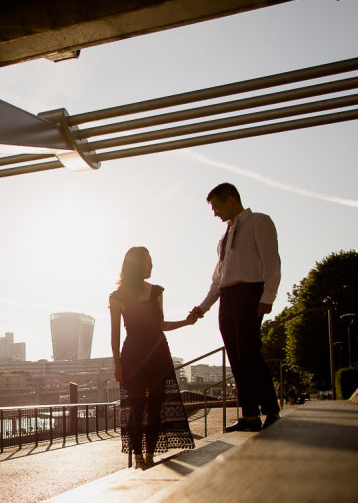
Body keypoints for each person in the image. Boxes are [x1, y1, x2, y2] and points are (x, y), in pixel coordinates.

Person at [190, 183, 281, 432]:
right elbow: (218, 280)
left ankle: (271, 410)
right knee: (236, 357)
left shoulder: (259, 222)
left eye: (216, 206)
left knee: (249, 353)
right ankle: (250, 415)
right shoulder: (223, 238)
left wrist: (268, 296)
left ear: (230, 200)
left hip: (250, 293)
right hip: (227, 299)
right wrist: (202, 308)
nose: (215, 213)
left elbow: (272, 263)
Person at [110, 246, 196, 470]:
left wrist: (186, 322)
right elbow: (115, 334)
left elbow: (161, 325)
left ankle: (150, 454)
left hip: (158, 354)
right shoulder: (117, 297)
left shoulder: (156, 291)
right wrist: (117, 363)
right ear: (138, 265)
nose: (152, 265)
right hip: (133, 356)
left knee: (156, 406)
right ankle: (139, 455)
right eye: (148, 261)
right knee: (136, 407)